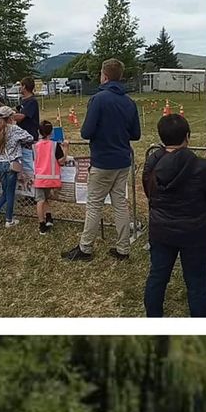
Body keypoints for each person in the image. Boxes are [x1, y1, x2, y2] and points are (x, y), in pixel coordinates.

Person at [62, 57, 141, 264]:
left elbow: (87, 131)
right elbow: (136, 134)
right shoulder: (129, 102)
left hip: (103, 162)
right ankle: (123, 248)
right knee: (120, 205)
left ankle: (85, 247)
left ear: (104, 76)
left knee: (94, 205)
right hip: (123, 161)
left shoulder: (98, 99)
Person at [141, 113, 206, 317]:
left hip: (161, 231)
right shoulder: (202, 166)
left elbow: (149, 191)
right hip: (194, 232)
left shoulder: (152, 163)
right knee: (197, 283)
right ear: (187, 136)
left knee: (157, 276)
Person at [0, 106, 29, 230]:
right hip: (12, 163)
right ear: (10, 117)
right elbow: (29, 137)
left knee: (6, 191)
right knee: (9, 193)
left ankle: (3, 217)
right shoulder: (14, 129)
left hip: (1, 163)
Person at [32, 119, 68, 234]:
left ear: (39, 132)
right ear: (51, 132)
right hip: (51, 178)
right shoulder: (54, 145)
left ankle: (43, 223)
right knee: (45, 199)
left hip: (39, 177)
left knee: (40, 200)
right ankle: (47, 219)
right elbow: (61, 161)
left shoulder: (35, 146)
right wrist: (66, 149)